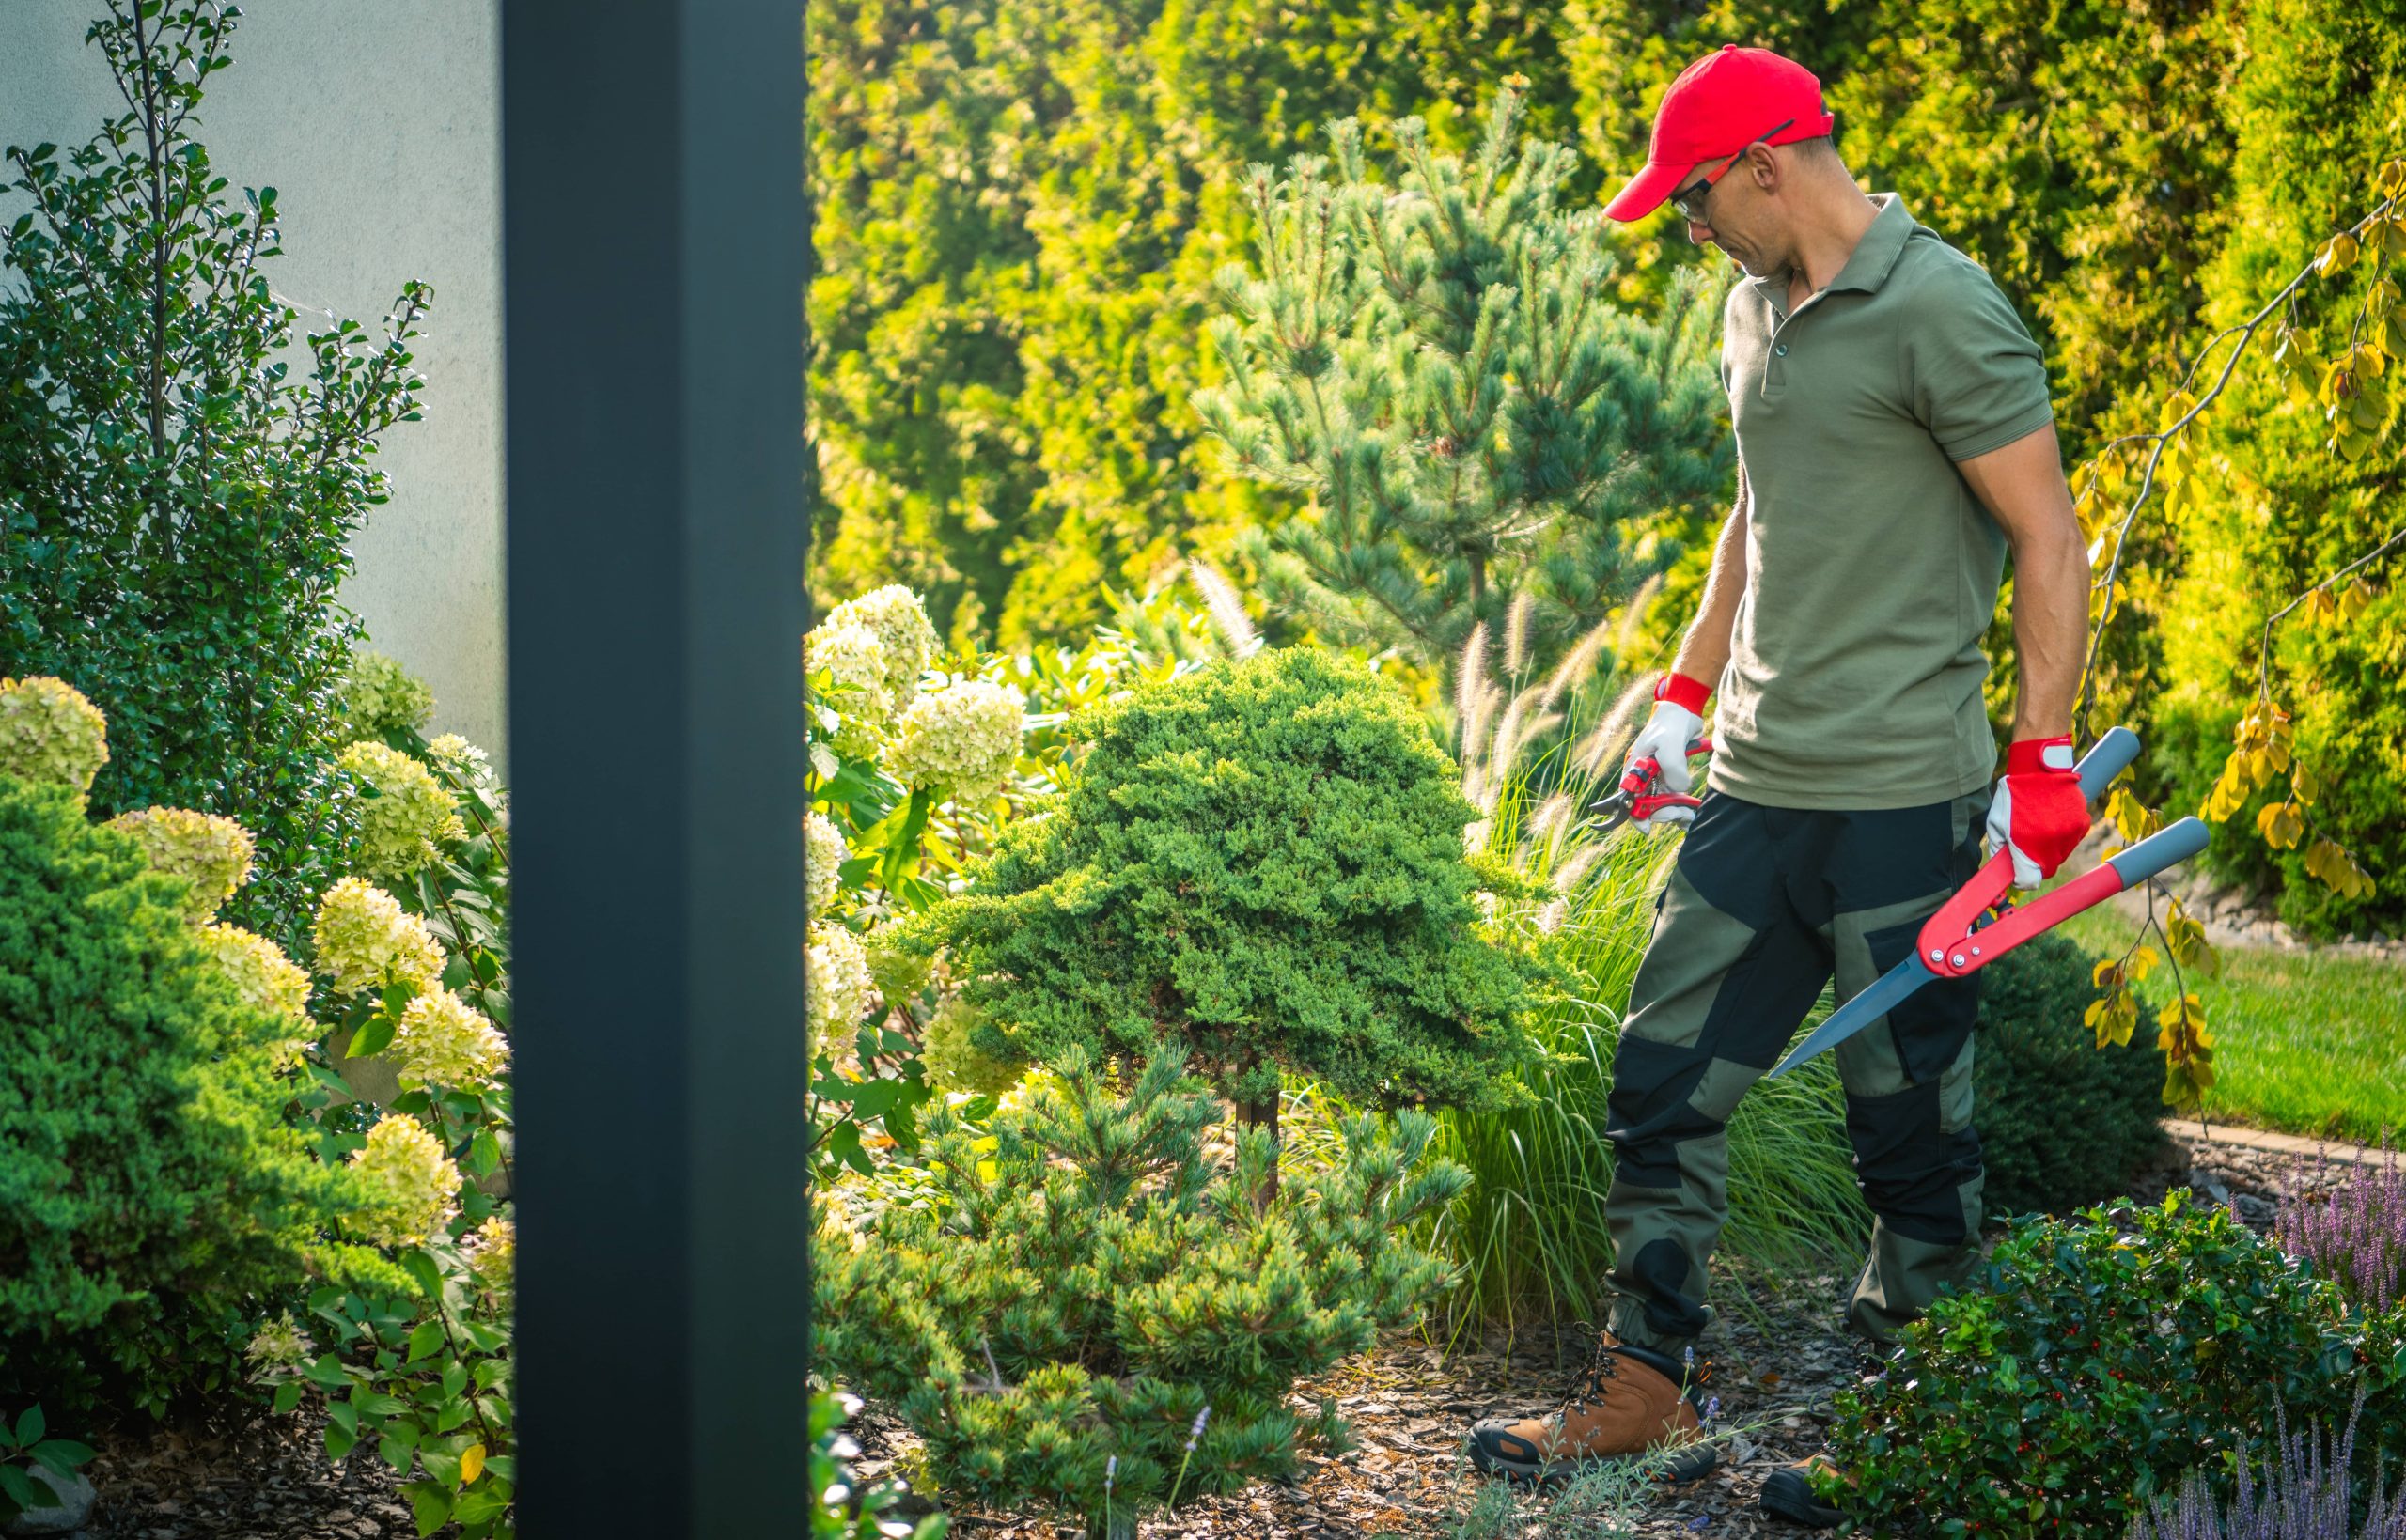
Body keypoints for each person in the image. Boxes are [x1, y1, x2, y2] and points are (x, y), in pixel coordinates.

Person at [1461, 43, 2094, 1527]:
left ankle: (1920, 1427)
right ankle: (1642, 1386)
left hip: (1900, 803)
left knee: (1912, 1136)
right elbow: (1758, 507)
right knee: (1660, 1082)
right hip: (1755, 787)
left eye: (1692, 200)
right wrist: (1684, 694)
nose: (1687, 231)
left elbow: (2050, 540)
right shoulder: (1756, 311)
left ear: (1764, 165)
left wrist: (2042, 756)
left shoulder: (1942, 309)